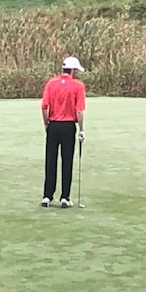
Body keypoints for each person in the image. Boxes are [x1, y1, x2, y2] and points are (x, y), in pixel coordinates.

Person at [40, 56, 87, 208]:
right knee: (67, 161)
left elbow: (44, 107)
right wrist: (81, 130)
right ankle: (65, 197)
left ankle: (47, 196)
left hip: (53, 125)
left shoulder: (51, 83)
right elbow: (79, 111)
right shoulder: (78, 86)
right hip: (68, 127)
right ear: (72, 70)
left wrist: (47, 124)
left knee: (50, 160)